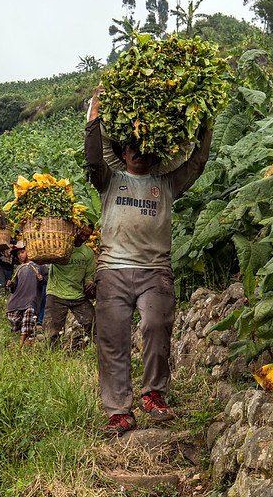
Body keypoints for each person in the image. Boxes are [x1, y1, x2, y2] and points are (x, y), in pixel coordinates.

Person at [85, 86, 213, 436]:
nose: (137, 152)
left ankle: (154, 394)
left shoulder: (167, 183)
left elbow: (198, 163)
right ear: (123, 151)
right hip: (112, 270)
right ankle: (119, 411)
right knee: (112, 340)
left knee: (156, 326)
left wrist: (206, 123)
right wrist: (93, 116)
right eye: (131, 147)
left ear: (154, 154)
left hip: (155, 271)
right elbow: (94, 160)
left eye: (144, 147)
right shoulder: (110, 180)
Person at [43, 223, 96, 350]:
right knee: (52, 331)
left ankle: (74, 348)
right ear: (75, 229)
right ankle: (52, 356)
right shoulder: (61, 247)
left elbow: (89, 275)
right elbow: (46, 255)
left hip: (78, 296)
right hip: (56, 293)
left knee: (92, 323)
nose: (83, 237)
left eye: (87, 236)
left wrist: (89, 283)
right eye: (82, 233)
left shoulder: (88, 254)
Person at [5, 241, 49, 346]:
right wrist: (11, 285)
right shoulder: (19, 269)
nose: (20, 255)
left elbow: (48, 280)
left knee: (28, 317)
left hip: (31, 299)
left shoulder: (39, 266)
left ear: (29, 251)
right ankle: (27, 338)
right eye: (18, 253)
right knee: (13, 316)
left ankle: (20, 346)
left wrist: (41, 278)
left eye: (22, 252)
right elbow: (14, 288)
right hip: (17, 300)